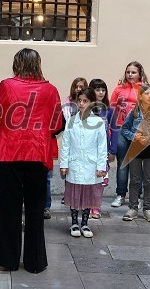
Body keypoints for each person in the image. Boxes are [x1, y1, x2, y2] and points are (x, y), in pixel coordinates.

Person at [0, 48, 62, 274]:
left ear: (16, 64)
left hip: (11, 153)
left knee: (9, 208)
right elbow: (57, 125)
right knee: (36, 210)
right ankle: (35, 262)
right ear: (38, 64)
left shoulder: (7, 86)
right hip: (37, 153)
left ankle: (9, 260)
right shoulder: (50, 89)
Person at [60, 88, 107, 238]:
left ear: (92, 103)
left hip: (91, 164)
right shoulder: (71, 121)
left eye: (85, 101)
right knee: (74, 192)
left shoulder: (98, 122)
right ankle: (74, 222)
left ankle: (85, 223)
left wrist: (101, 166)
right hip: (74, 162)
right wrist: (64, 164)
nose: (81, 104)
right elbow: (66, 144)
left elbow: (102, 146)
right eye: (79, 100)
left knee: (87, 194)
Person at [121, 84, 150, 223]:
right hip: (135, 150)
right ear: (140, 96)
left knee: (148, 180)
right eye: (147, 93)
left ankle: (148, 209)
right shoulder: (133, 113)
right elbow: (124, 129)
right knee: (135, 180)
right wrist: (133, 136)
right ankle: (133, 208)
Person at [110, 61, 149, 207]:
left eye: (133, 72)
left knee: (137, 165)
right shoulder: (119, 89)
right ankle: (120, 195)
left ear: (140, 74)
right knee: (122, 164)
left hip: (138, 131)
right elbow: (112, 109)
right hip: (120, 129)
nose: (130, 75)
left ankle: (136, 197)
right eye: (128, 72)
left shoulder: (145, 89)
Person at [88, 79, 117, 219]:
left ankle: (96, 206)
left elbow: (115, 130)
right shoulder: (86, 109)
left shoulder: (110, 110)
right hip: (88, 151)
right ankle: (86, 204)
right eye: (97, 89)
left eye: (103, 90)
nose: (100, 92)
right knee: (87, 179)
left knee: (99, 180)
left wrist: (113, 150)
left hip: (103, 152)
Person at [59, 77, 87, 205]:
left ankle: (82, 195)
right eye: (76, 86)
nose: (78, 89)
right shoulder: (68, 104)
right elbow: (64, 122)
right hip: (71, 140)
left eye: (81, 86)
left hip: (85, 140)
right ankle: (68, 194)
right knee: (69, 168)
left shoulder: (88, 103)